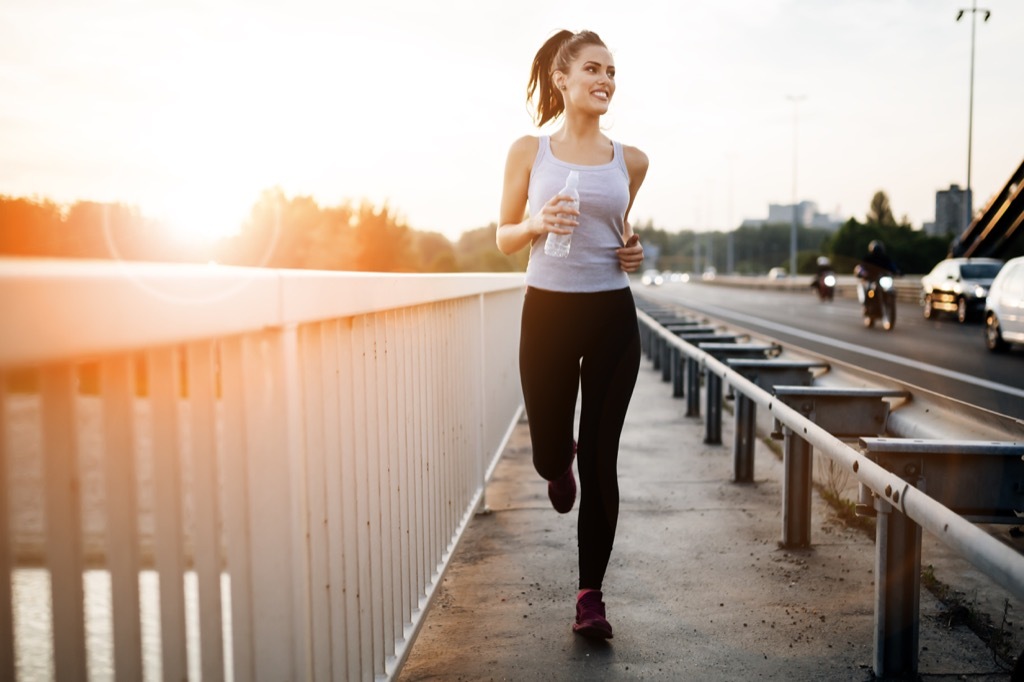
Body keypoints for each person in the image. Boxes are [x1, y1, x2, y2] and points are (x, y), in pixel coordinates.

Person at [495, 29, 648, 640]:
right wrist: (537, 221)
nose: (605, 80)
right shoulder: (529, 152)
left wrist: (633, 251)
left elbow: (620, 229)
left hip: (612, 317)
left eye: (611, 72)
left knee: (603, 459)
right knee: (548, 453)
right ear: (562, 79)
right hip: (548, 316)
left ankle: (591, 597)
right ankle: (559, 464)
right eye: (593, 69)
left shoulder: (631, 160)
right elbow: (504, 237)